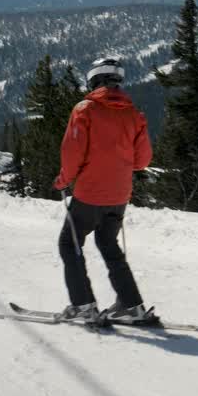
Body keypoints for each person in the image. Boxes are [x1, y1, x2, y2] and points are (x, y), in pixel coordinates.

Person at [53, 57, 153, 323]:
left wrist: (64, 179)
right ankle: (132, 306)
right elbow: (142, 161)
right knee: (109, 244)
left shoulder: (85, 109)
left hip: (89, 194)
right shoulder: (135, 114)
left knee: (69, 244)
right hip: (119, 195)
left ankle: (84, 304)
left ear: (95, 80)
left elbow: (72, 152)